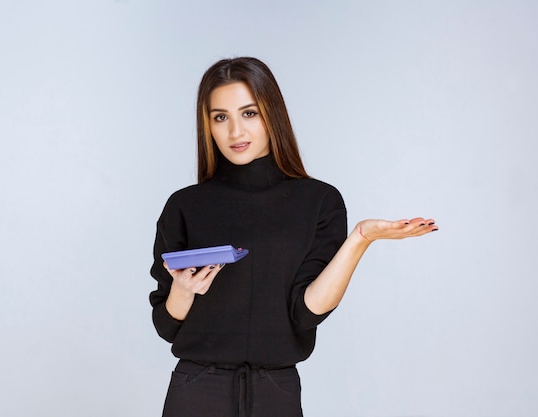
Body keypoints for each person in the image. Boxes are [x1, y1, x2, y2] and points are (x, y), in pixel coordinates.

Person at [149, 57, 438, 417]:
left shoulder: (319, 201)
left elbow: (305, 312)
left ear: (272, 114)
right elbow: (165, 324)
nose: (235, 131)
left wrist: (361, 238)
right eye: (220, 117)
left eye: (249, 113)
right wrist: (183, 290)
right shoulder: (185, 206)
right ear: (207, 125)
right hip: (195, 392)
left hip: (275, 392)